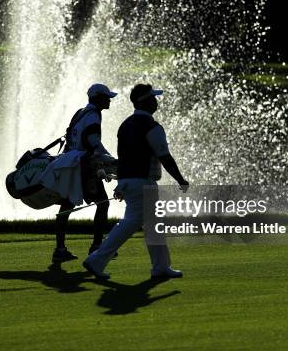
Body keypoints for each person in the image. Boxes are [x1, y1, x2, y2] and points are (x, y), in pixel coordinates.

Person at [83, 83, 189, 279]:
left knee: (154, 223)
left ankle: (161, 267)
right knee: (131, 222)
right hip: (143, 183)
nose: (156, 102)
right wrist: (180, 179)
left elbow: (124, 156)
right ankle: (96, 259)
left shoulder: (125, 125)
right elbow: (165, 156)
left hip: (130, 181)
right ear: (146, 101)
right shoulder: (152, 126)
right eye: (153, 98)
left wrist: (121, 184)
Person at [52, 83, 117, 263]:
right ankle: (97, 247)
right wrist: (110, 159)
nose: (109, 101)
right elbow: (92, 141)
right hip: (84, 166)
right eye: (106, 97)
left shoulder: (80, 113)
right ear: (98, 98)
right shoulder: (94, 115)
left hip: (70, 164)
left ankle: (59, 249)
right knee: (103, 203)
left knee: (66, 206)